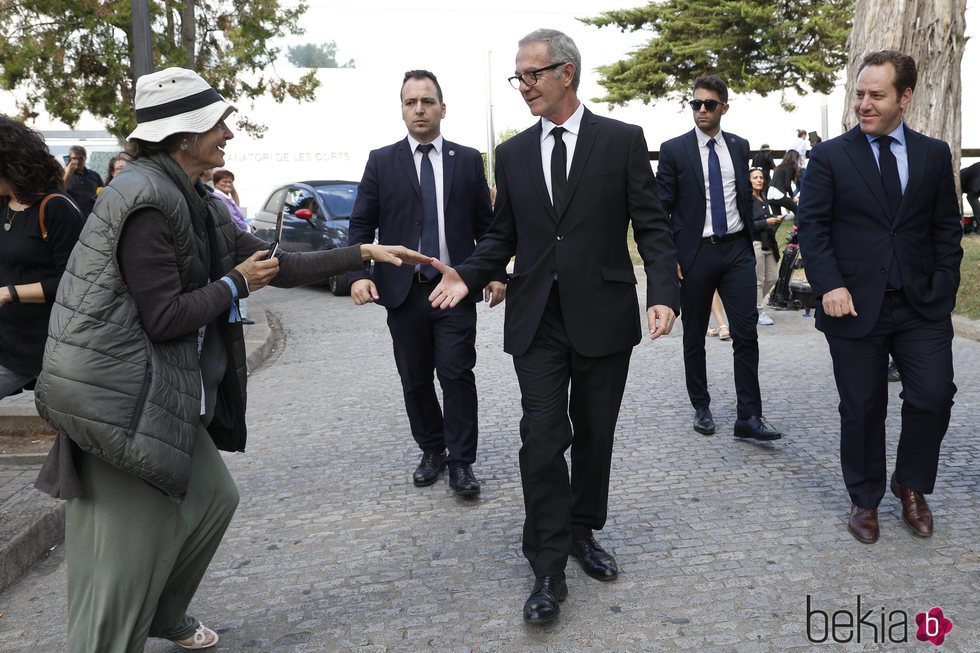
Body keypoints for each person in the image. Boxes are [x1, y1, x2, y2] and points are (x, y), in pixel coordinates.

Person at [32, 67, 428, 653]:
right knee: (120, 564)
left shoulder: (195, 194)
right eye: (217, 124)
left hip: (156, 394)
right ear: (183, 135)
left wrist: (363, 252)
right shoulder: (143, 199)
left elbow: (273, 263)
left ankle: (165, 613)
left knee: (215, 497)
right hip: (117, 401)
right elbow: (164, 317)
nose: (228, 134)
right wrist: (234, 285)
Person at [427, 29, 678, 624]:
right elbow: (501, 235)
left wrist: (664, 291)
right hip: (537, 318)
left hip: (604, 316)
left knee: (595, 434)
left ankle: (584, 529)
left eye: (531, 75)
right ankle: (547, 566)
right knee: (542, 437)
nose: (522, 86)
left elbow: (652, 225)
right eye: (517, 76)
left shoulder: (621, 141)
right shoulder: (512, 155)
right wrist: (467, 273)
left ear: (567, 73)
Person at [796, 50, 962, 545]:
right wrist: (830, 284)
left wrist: (943, 286)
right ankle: (864, 498)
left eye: (877, 95)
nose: (864, 105)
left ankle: (910, 484)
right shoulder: (829, 156)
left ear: (904, 97)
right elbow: (812, 227)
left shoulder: (933, 154)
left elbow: (946, 230)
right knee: (862, 406)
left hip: (920, 305)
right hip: (852, 305)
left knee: (933, 397)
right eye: (860, 95)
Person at [347, 69, 505, 498]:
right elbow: (361, 223)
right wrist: (358, 274)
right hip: (402, 291)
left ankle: (461, 462)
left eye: (427, 101)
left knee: (456, 374)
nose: (419, 109)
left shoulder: (469, 160)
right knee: (415, 379)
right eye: (410, 102)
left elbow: (487, 226)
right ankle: (432, 450)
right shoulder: (382, 161)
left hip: (453, 289)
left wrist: (493, 273)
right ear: (401, 109)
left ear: (442, 108)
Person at [657, 75, 782, 441]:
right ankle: (701, 406)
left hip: (736, 251)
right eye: (695, 104)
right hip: (694, 253)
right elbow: (661, 208)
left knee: (746, 333)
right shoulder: (674, 150)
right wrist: (669, 257)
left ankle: (749, 416)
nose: (701, 110)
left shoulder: (739, 147)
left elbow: (742, 196)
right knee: (694, 335)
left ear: (723, 107)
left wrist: (750, 236)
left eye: (708, 104)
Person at [0, 116, 85, 399]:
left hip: (38, 345)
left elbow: (74, 284)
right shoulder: (3, 205)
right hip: (8, 337)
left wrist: (9, 293)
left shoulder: (56, 208)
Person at [212, 169, 254, 323]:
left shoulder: (225, 197)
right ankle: (239, 315)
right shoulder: (218, 197)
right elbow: (232, 220)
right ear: (216, 183)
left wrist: (231, 188)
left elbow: (237, 203)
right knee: (240, 276)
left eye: (230, 182)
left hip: (239, 238)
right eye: (225, 182)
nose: (228, 184)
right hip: (234, 242)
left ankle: (240, 314)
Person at [750, 167, 782, 324]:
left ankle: (751, 305)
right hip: (756, 243)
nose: (759, 180)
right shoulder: (748, 200)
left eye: (761, 177)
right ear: (749, 181)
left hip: (770, 244)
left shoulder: (764, 197)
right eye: (755, 178)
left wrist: (775, 220)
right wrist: (766, 222)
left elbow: (767, 221)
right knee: (759, 279)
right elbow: (748, 225)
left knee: (773, 277)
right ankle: (758, 311)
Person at [62, 145, 103, 216]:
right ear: (69, 159)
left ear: (85, 158)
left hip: (93, 215)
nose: (77, 161)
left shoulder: (94, 175)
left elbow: (103, 191)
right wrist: (68, 174)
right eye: (74, 158)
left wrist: (98, 198)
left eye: (80, 158)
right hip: (73, 216)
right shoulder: (64, 175)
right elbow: (61, 191)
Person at [769, 149, 801, 216]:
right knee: (798, 212)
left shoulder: (779, 167)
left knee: (777, 220)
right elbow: (787, 185)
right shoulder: (789, 168)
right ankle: (797, 226)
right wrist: (792, 197)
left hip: (770, 195)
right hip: (779, 195)